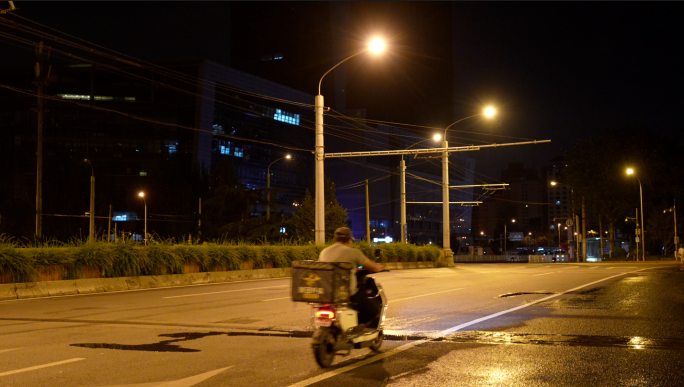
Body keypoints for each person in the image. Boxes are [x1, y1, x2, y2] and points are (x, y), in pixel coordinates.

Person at [319, 227, 385, 326]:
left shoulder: (324, 252)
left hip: (326, 293)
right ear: (349, 240)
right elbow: (372, 266)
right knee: (373, 310)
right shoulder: (353, 252)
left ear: (335, 239)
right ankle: (356, 328)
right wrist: (379, 267)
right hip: (347, 294)